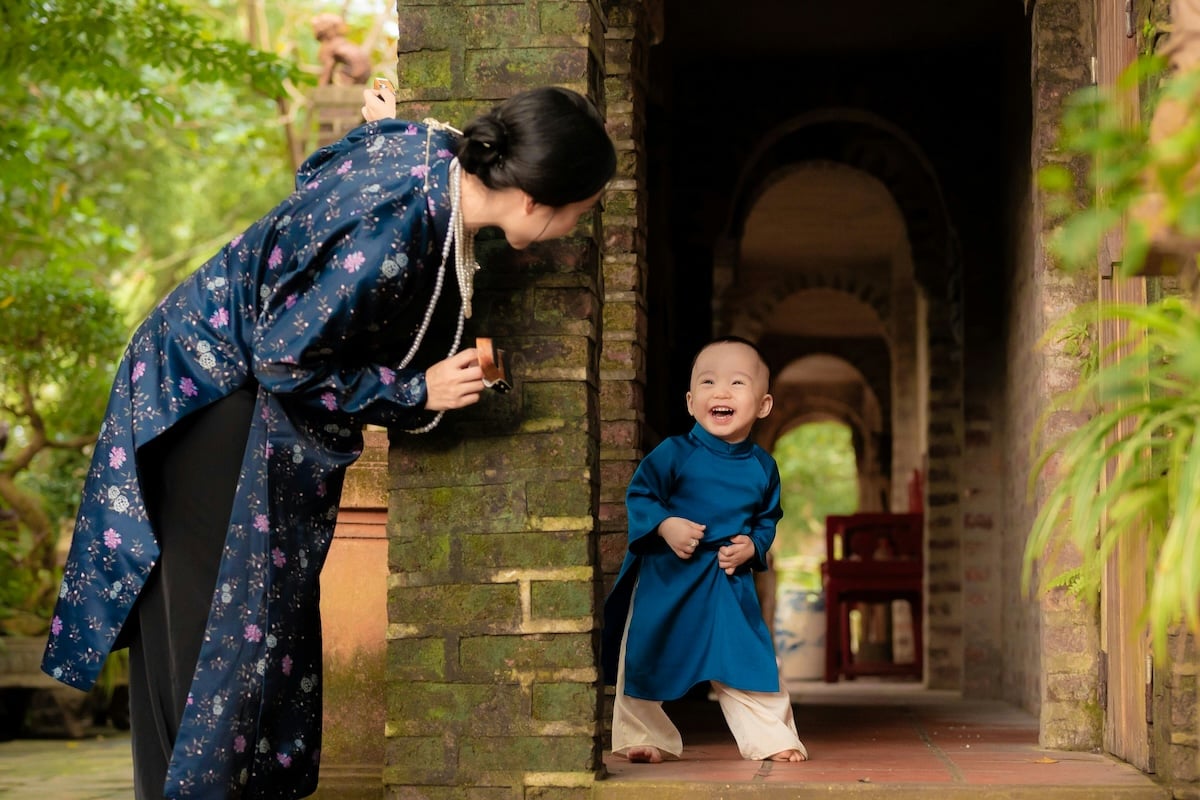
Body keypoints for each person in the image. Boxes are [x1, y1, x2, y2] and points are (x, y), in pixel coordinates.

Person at [41, 83, 616, 800]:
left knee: (247, 638)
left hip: (216, 382)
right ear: (535, 201)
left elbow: (321, 170)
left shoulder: (432, 154)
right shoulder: (403, 222)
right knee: (217, 642)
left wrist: (386, 124)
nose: (576, 230)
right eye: (582, 214)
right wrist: (417, 391)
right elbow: (282, 357)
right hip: (211, 395)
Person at [601, 337, 808, 764]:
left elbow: (768, 520)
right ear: (692, 401)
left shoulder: (763, 467)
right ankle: (642, 734)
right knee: (647, 650)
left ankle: (771, 737)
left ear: (763, 405)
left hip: (726, 577)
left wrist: (752, 546)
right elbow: (641, 496)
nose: (722, 391)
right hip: (667, 575)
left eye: (737, 382)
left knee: (747, 655)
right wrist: (666, 524)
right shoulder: (674, 453)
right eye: (709, 382)